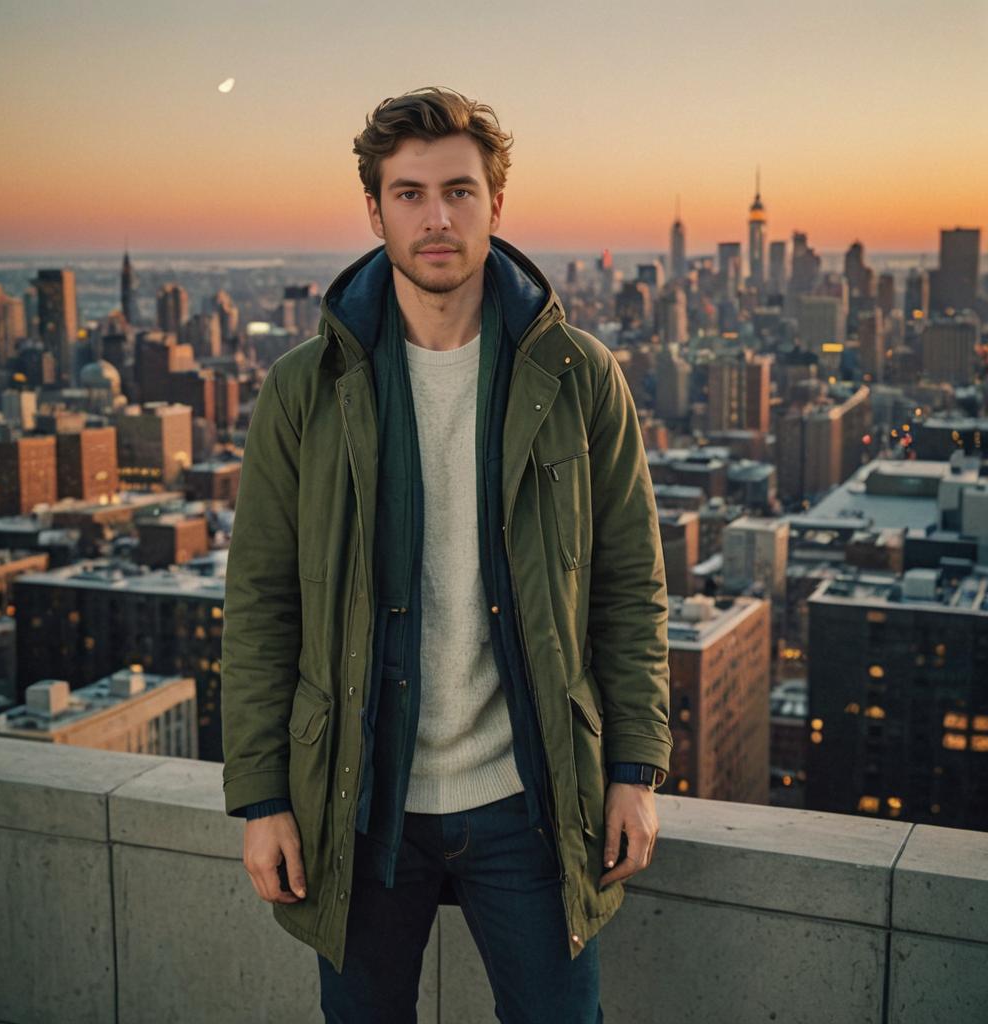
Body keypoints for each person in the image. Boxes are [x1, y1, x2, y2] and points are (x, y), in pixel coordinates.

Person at [220, 85, 673, 1023]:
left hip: (531, 797)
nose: (438, 218)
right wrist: (262, 796)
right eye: (412, 193)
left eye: (460, 192)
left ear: (496, 205)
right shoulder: (306, 389)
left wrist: (634, 769)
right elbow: (263, 599)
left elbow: (630, 587)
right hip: (358, 797)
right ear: (376, 209)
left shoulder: (580, 377)